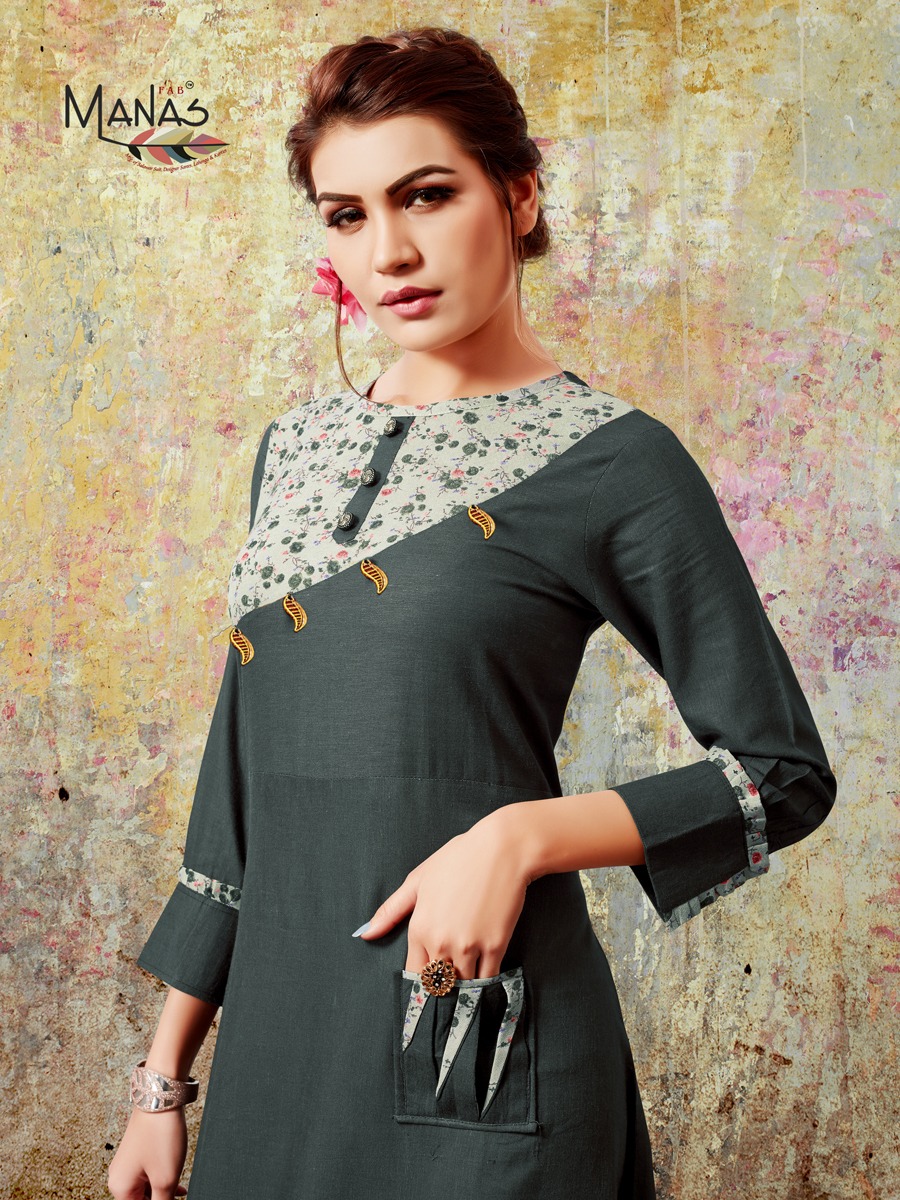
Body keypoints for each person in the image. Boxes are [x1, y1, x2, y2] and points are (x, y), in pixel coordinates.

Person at [107, 25, 837, 1200]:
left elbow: (781, 773)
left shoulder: (616, 461)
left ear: (519, 191)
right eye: (347, 215)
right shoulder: (293, 451)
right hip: (276, 1067)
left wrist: (522, 837)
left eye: (428, 195)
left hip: (476, 1042)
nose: (388, 251)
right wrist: (162, 1081)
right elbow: (237, 787)